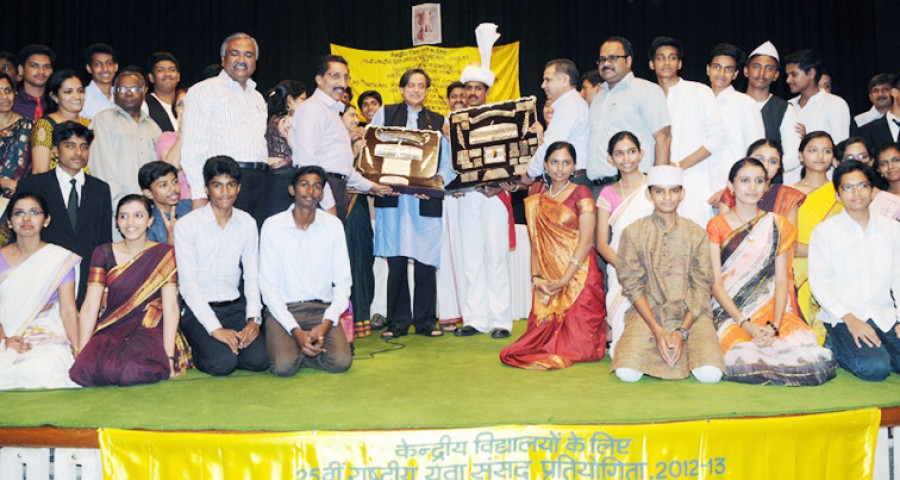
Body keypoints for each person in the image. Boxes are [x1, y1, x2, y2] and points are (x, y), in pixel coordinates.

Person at [706, 158, 835, 386]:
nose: (752, 187)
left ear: (766, 186)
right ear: (731, 186)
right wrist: (745, 324)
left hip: (771, 310)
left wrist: (774, 325)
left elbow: (782, 280)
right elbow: (715, 284)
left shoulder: (778, 224)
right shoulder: (716, 225)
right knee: (742, 359)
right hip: (730, 311)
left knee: (808, 356)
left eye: (759, 181)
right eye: (744, 181)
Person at [611, 165, 725, 383]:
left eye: (673, 190)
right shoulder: (633, 233)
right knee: (626, 373)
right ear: (649, 194)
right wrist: (657, 330)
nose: (667, 197)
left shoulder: (697, 234)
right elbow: (632, 286)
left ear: (682, 194)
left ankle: (687, 347)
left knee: (711, 374)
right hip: (648, 315)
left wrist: (682, 331)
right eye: (659, 191)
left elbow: (702, 287)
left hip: (691, 314)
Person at [500, 142, 606, 369]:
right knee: (534, 346)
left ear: (574, 166)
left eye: (566, 163)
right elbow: (536, 245)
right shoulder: (538, 198)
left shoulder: (581, 193)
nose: (560, 168)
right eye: (554, 162)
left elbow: (587, 241)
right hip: (548, 279)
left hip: (579, 275)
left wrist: (565, 280)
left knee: (579, 348)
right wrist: (536, 279)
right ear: (546, 166)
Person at [69, 194, 184, 386]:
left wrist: (169, 358)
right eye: (123, 216)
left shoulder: (163, 254)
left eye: (138, 215)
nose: (130, 222)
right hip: (113, 324)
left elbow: (171, 306)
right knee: (83, 371)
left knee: (131, 371)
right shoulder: (103, 252)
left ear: (150, 220)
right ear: (117, 222)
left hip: (149, 325)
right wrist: (82, 350)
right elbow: (90, 305)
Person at [370, 68, 451, 339]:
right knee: (396, 260)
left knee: (426, 259)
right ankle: (398, 323)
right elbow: (372, 150)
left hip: (423, 200)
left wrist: (436, 183)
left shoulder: (438, 121)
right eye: (411, 85)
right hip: (393, 198)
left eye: (421, 86)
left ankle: (426, 322)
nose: (416, 90)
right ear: (402, 89)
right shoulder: (384, 114)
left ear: (426, 91)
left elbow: (447, 162)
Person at [174, 156, 267, 376]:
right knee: (223, 363)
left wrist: (253, 320)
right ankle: (199, 345)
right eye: (217, 185)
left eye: (231, 184)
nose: (225, 192)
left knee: (260, 360)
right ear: (207, 189)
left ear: (239, 188)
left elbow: (252, 276)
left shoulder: (247, 222)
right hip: (198, 309)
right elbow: (188, 285)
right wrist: (215, 329)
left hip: (234, 308)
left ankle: (229, 347)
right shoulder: (187, 225)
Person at [809, 160, 900, 381]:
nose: (856, 193)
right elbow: (820, 284)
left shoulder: (892, 230)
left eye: (862, 186)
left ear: (872, 191)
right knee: (876, 368)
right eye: (848, 187)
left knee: (885, 360)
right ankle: (835, 344)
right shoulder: (825, 232)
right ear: (838, 196)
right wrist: (850, 319)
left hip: (884, 315)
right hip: (843, 318)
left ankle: (882, 349)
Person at [260, 166, 352, 376]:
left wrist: (327, 323)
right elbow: (268, 287)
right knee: (284, 367)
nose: (310, 191)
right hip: (285, 309)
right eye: (304, 184)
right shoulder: (272, 226)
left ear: (322, 193)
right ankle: (296, 346)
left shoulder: (333, 226)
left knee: (341, 362)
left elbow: (344, 282)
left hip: (322, 311)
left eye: (316, 186)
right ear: (292, 189)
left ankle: (302, 349)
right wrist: (295, 331)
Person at [17, 122, 111, 306]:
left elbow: (104, 240)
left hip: (86, 278)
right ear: (55, 151)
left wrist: (104, 286)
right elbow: (20, 236)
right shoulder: (33, 185)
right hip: (43, 275)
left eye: (84, 147)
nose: (78, 152)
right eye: (70, 145)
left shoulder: (100, 189)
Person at [453, 57, 514, 339]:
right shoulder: (454, 123)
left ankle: (501, 320)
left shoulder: (502, 120)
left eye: (478, 88)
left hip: (493, 196)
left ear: (487, 92)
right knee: (471, 258)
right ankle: (475, 318)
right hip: (467, 195)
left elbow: (512, 157)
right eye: (469, 88)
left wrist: (500, 185)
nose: (473, 93)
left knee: (496, 257)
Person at [182, 33, 269, 226]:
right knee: (222, 241)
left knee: (252, 241)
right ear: (223, 59)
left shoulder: (257, 97)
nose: (241, 59)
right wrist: (199, 194)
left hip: (259, 183)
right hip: (224, 182)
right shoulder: (205, 90)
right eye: (235, 53)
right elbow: (193, 146)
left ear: (255, 63)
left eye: (248, 55)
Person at [291, 55, 392, 220]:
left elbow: (342, 168)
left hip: (336, 188)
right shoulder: (312, 109)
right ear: (319, 79)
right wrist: (328, 203)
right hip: (320, 193)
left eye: (346, 77)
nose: (342, 83)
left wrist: (372, 187)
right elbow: (307, 162)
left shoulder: (333, 113)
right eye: (335, 76)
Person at [0, 192, 80, 390]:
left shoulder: (58, 259)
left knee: (42, 368)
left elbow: (68, 310)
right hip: (5, 334)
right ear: (9, 222)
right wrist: (5, 341)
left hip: (45, 333)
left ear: (46, 220)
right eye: (19, 213)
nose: (26, 219)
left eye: (34, 212)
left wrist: (78, 349)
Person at [648, 36, 726, 226]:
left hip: (693, 178)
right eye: (660, 57)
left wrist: (679, 166)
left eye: (672, 57)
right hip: (654, 183)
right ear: (651, 64)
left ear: (680, 63)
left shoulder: (698, 92)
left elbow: (717, 138)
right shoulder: (647, 96)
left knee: (694, 233)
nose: (667, 62)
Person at [595, 132, 653, 357]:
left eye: (631, 151)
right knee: (622, 348)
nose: (626, 158)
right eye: (619, 154)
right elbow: (602, 243)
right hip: (621, 268)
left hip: (656, 267)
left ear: (641, 154)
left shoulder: (655, 186)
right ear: (610, 159)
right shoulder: (607, 193)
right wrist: (626, 268)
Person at [587, 36, 671, 186]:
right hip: (597, 186)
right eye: (602, 59)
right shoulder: (599, 97)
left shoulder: (646, 90)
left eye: (613, 58)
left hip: (633, 185)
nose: (606, 64)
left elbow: (663, 137)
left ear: (628, 61)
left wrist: (659, 183)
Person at [791, 131, 841, 336]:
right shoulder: (788, 192)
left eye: (826, 151)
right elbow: (788, 243)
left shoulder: (841, 192)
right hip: (796, 267)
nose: (820, 156)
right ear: (801, 155)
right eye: (813, 150)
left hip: (835, 267)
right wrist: (822, 252)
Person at [89, 68, 162, 206]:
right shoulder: (103, 120)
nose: (128, 93)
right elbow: (101, 168)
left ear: (144, 91)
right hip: (116, 205)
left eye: (134, 89)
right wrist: (117, 203)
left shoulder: (153, 127)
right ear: (114, 93)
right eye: (122, 89)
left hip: (149, 206)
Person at [705, 43, 765, 198]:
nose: (721, 73)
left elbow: (756, 150)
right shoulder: (697, 101)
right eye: (717, 67)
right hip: (699, 184)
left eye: (728, 69)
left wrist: (730, 189)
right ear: (708, 69)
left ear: (735, 74)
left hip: (732, 189)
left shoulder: (745, 103)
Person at [523, 59, 590, 186]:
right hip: (569, 178)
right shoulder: (571, 102)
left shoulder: (569, 104)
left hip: (573, 180)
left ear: (564, 80)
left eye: (548, 80)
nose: (543, 85)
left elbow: (551, 145)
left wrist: (529, 173)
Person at [743, 41, 802, 184]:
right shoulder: (732, 104)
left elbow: (794, 154)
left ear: (776, 75)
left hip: (771, 184)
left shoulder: (784, 109)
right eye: (756, 67)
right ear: (746, 71)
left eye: (768, 68)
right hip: (734, 182)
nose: (761, 73)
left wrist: (768, 170)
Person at [718, 139, 806, 227]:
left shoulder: (788, 196)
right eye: (759, 159)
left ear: (779, 166)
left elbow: (790, 234)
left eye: (773, 161)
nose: (765, 165)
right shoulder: (733, 192)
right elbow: (722, 229)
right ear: (748, 160)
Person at [784, 49, 850, 145]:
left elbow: (840, 145)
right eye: (787, 75)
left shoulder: (835, 104)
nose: (788, 80)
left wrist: (807, 140)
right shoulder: (788, 105)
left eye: (794, 75)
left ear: (811, 73)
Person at [30, 69, 89, 174]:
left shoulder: (90, 124)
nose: (77, 96)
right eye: (68, 92)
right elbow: (39, 172)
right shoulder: (45, 126)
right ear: (54, 97)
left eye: (80, 91)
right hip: (54, 183)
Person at [264, 79, 306, 219]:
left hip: (270, 174)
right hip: (285, 175)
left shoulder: (272, 118)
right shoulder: (289, 121)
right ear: (290, 100)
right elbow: (298, 149)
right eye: (303, 99)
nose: (306, 104)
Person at [0, 73, 33, 208]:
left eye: (8, 91)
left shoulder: (30, 127)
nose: (4, 97)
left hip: (18, 203)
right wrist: (3, 182)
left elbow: (38, 172)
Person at [139, 161, 191, 245]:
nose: (173, 188)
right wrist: (170, 241)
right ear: (149, 193)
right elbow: (153, 253)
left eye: (175, 181)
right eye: (163, 185)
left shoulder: (191, 206)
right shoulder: (149, 225)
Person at [155, 87, 190, 200]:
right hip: (181, 202)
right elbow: (171, 167)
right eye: (180, 104)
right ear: (175, 111)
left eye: (190, 103)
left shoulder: (208, 138)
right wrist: (184, 133)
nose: (185, 108)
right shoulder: (167, 138)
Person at [857, 73, 900, 150]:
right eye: (875, 91)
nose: (880, 94)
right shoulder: (867, 131)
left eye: (885, 89)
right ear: (894, 92)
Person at [13, 44, 54, 120]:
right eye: (34, 65)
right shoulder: (10, 103)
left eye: (46, 66)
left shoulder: (57, 103)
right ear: (21, 69)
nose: (41, 71)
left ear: (51, 71)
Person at [80, 43, 119, 120]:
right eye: (98, 64)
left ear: (116, 67)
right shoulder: (82, 97)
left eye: (109, 63)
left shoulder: (122, 95)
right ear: (89, 68)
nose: (105, 69)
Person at [145, 52, 181, 132]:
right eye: (160, 70)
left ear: (178, 76)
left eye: (172, 70)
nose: (167, 74)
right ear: (151, 77)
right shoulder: (144, 105)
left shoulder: (187, 104)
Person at [871, 143, 900, 221]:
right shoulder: (876, 197)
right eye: (883, 164)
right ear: (878, 169)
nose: (891, 166)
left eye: (896, 160)